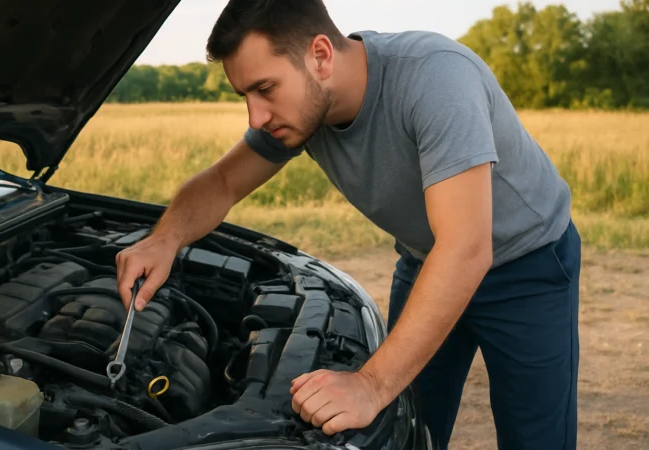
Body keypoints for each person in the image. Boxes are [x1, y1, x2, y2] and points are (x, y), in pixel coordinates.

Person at [115, 1, 581, 448]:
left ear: (320, 55)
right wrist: (165, 239)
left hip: (527, 267)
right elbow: (221, 181)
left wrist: (371, 384)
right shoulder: (301, 114)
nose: (256, 117)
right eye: (245, 96)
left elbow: (466, 247)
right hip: (428, 262)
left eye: (265, 89)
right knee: (408, 425)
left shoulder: (436, 76)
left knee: (533, 438)